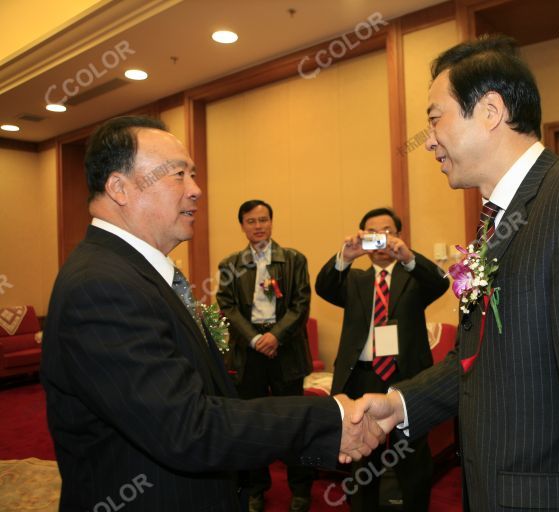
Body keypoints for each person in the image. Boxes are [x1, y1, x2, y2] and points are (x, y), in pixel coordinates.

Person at [354, 35, 559, 510]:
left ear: (490, 111)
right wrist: (398, 405)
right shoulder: (496, 222)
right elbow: (473, 361)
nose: (430, 141)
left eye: (435, 118)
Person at [41, 116, 382, 512]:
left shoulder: (134, 273)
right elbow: (188, 428)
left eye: (194, 175)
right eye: (178, 175)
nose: (197, 190)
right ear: (120, 188)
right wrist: (331, 417)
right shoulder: (101, 286)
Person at [315, 207, 449, 511]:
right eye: (373, 233)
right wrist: (345, 257)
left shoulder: (413, 277)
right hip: (362, 378)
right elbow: (323, 287)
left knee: (412, 458)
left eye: (388, 231)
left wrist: (408, 257)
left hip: (407, 379)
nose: (382, 239)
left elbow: (441, 283)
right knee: (363, 460)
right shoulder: (355, 281)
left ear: (399, 236)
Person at [216, 200, 314, 512]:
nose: (258, 226)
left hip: (286, 350)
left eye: (263, 220)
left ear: (272, 222)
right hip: (250, 351)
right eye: (251, 221)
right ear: (242, 226)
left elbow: (300, 304)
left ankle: (300, 490)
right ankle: (256, 488)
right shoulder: (230, 265)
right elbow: (227, 306)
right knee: (252, 425)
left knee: (294, 422)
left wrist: (275, 336)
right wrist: (256, 338)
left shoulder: (294, 259)